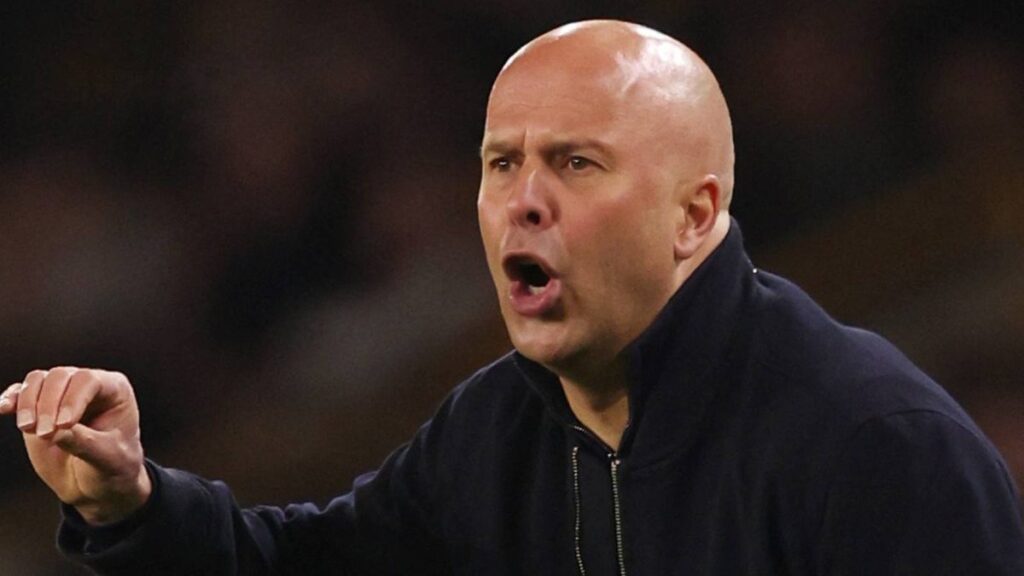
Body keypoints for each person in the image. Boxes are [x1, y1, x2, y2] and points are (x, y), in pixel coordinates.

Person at [2, 19, 1023, 575]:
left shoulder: (872, 444)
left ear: (693, 212)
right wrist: (135, 502)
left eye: (575, 164)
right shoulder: (496, 431)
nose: (520, 203)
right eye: (501, 163)